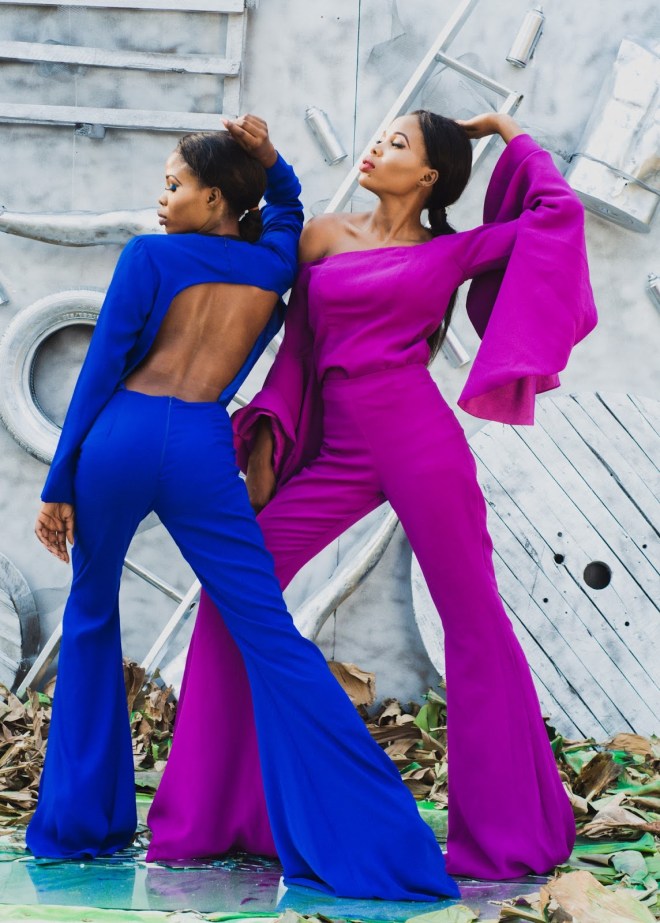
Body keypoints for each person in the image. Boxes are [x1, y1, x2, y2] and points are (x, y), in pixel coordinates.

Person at [149, 110, 598, 880]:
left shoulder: (452, 250)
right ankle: (222, 813)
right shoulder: (323, 236)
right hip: (341, 452)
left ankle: (508, 837)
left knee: (475, 624)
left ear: (427, 176)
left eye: (397, 144)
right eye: (380, 137)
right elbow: (297, 348)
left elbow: (557, 214)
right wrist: (270, 437)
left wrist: (506, 130)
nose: (376, 148)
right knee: (236, 590)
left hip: (422, 444)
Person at [26, 115, 459, 902]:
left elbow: (100, 371)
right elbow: (288, 204)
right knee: (270, 632)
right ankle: (378, 839)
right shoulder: (274, 264)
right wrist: (270, 158)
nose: (162, 199)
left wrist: (59, 481)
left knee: (90, 617)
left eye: (175, 185)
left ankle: (77, 828)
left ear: (217, 197)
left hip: (121, 437)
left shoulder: (148, 256)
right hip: (201, 448)